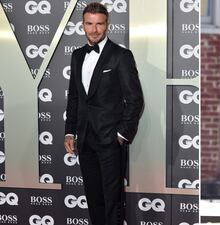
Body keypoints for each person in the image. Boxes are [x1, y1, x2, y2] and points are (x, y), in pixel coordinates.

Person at [64, 2, 144, 225]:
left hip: (110, 140)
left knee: (113, 202)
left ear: (107, 25)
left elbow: (135, 99)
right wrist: (70, 132)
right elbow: (74, 97)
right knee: (93, 199)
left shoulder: (121, 56)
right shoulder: (77, 55)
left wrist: (121, 135)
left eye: (99, 24)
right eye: (89, 24)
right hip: (85, 140)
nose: (94, 29)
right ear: (83, 25)